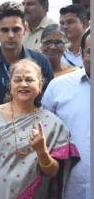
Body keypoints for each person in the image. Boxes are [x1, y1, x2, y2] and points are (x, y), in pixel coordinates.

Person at [0, 59, 80, 199]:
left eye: (29, 79)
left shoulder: (53, 124)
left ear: (40, 85)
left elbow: (53, 172)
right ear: (10, 85)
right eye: (18, 80)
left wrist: (41, 151)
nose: (23, 84)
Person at [0, 1, 53, 119]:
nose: (11, 35)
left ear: (25, 28)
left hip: (34, 134)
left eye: (16, 29)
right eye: (5, 30)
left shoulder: (41, 62)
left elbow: (49, 104)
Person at [42, 29, 90, 199]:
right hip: (70, 188)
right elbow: (43, 134)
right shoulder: (58, 86)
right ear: (81, 53)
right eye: (90, 51)